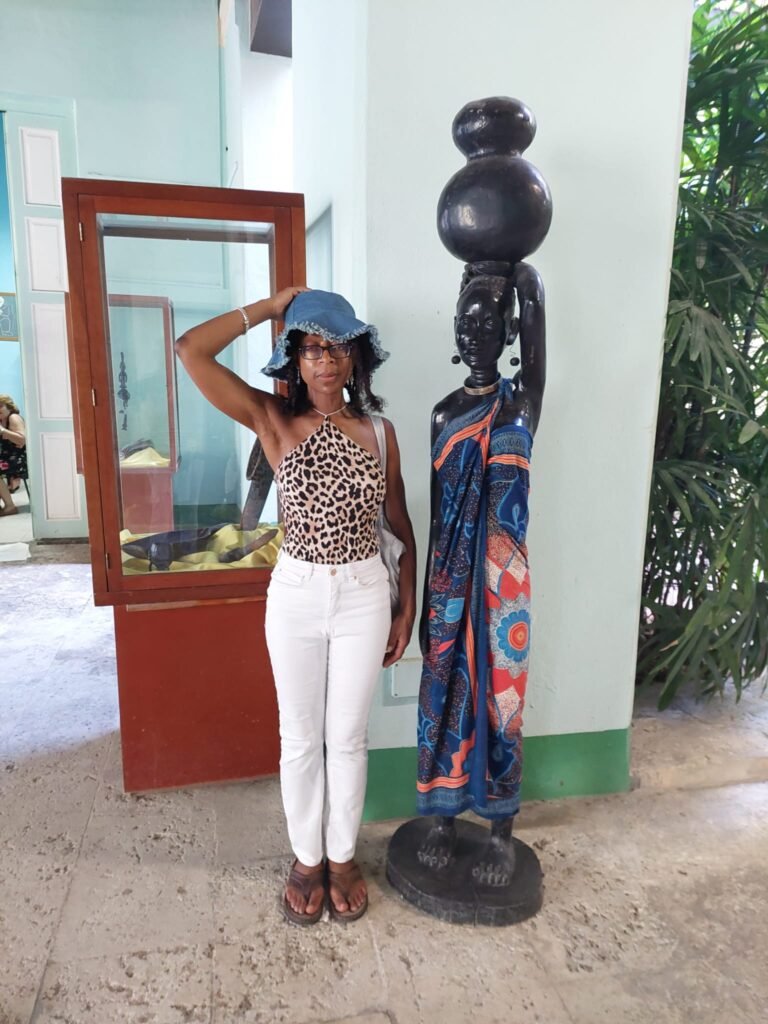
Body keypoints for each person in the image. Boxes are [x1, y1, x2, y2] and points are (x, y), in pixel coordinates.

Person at [175, 288, 416, 925]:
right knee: (300, 739)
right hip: (297, 594)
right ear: (295, 361)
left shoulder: (382, 434)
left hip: (365, 592)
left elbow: (401, 525)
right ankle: (307, 858)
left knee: (348, 739)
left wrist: (406, 605)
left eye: (335, 346)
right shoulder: (272, 421)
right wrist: (270, 304)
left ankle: (342, 857)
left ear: (356, 357)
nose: (324, 360)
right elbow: (190, 350)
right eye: (310, 348)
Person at [0, 395, 27, 517]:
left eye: (0, 406)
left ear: (9, 406)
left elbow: (22, 440)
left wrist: (3, 431)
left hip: (19, 459)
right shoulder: (2, 420)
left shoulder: (14, 417)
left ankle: (10, 506)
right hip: (6, 458)